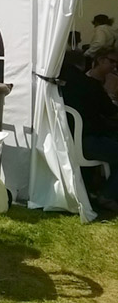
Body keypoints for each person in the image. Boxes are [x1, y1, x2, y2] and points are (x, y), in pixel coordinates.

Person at [60, 50, 118, 211]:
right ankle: (108, 195)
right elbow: (110, 111)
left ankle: (95, 189)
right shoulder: (89, 85)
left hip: (60, 138)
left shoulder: (53, 84)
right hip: (86, 141)